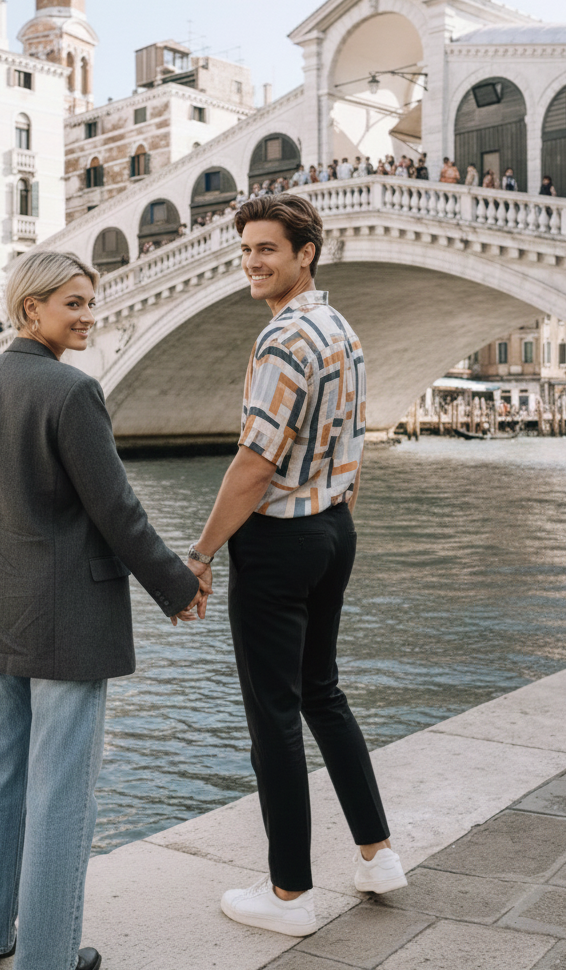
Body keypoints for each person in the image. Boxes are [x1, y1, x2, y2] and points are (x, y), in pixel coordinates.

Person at [0, 250, 208, 970]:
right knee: (61, 791)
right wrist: (176, 585)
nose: (90, 316)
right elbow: (116, 509)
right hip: (63, 617)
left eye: (92, 302)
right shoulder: (72, 391)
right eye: (75, 303)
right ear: (32, 309)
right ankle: (48, 957)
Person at [187, 195, 406, 938]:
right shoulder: (341, 328)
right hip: (334, 528)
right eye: (246, 249)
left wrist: (201, 554)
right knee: (323, 693)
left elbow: (254, 463)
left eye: (267, 249)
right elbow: (353, 437)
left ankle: (289, 895)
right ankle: (377, 854)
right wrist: (334, 519)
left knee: (273, 716)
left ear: (305, 253)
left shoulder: (283, 339)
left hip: (279, 541)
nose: (252, 263)